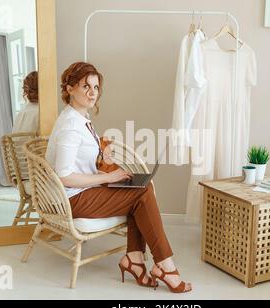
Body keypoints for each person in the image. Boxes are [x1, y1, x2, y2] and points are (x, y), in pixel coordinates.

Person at [45, 62, 192, 293]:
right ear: (70, 88)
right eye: (86, 86)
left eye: (96, 86)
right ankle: (164, 265)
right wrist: (106, 177)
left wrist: (103, 156)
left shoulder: (79, 118)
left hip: (81, 193)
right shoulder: (70, 126)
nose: (93, 92)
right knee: (141, 193)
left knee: (140, 188)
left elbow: (78, 163)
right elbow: (64, 176)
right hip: (71, 199)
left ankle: (135, 260)